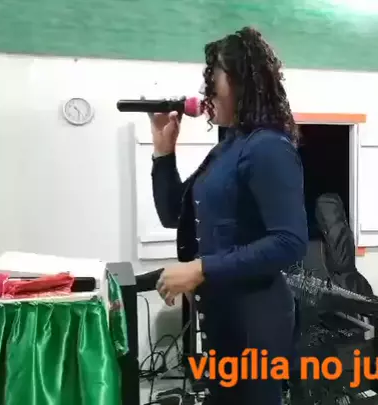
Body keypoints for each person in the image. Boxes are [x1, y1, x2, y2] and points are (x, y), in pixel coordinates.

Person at [151, 26, 308, 405]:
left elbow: (289, 242)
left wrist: (201, 268)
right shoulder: (228, 148)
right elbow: (173, 214)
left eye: (213, 79)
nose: (206, 92)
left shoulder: (268, 147)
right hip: (222, 315)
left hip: (255, 322)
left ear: (241, 82)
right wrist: (163, 152)